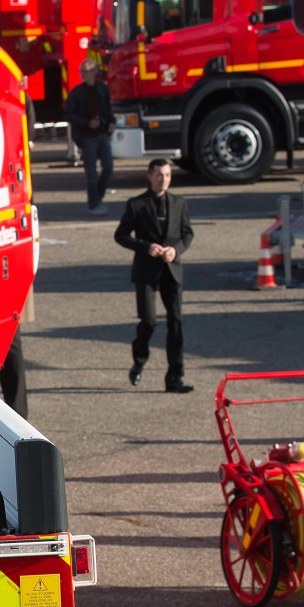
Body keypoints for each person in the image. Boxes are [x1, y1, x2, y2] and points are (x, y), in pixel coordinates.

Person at [114, 157, 194, 393]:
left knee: (176, 322)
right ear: (150, 176)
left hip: (172, 269)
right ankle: (139, 360)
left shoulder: (179, 203)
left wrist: (175, 249)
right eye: (159, 175)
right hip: (146, 271)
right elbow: (121, 235)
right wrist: (145, 246)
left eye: (167, 175)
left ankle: (174, 377)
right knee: (148, 322)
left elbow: (187, 234)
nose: (163, 180)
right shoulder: (137, 204)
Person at [64, 59, 115, 216]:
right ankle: (93, 204)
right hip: (87, 137)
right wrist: (87, 123)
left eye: (86, 71)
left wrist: (111, 122)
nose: (83, 75)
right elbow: (68, 114)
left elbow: (109, 108)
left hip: (102, 133)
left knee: (108, 166)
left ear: (94, 72)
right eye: (81, 72)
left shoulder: (102, 89)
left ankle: (98, 197)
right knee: (91, 173)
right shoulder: (77, 93)